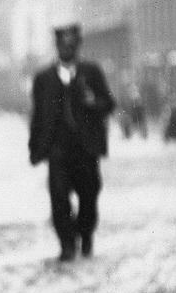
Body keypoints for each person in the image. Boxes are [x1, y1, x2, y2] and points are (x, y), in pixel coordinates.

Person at [28, 23, 115, 261]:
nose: (67, 49)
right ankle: (67, 243)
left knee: (89, 197)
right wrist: (35, 149)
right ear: (57, 47)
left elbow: (109, 104)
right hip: (58, 150)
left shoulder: (92, 72)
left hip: (86, 150)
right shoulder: (43, 79)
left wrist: (93, 102)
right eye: (62, 45)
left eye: (71, 45)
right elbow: (37, 117)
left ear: (77, 47)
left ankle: (85, 234)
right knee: (58, 197)